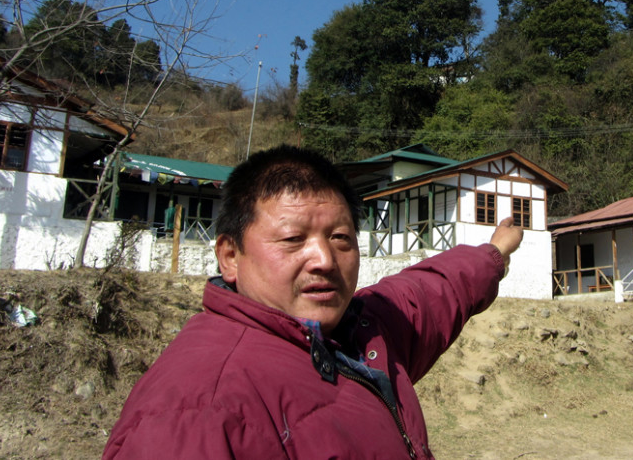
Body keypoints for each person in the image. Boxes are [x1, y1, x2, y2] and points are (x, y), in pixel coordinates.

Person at [103, 145, 522, 459]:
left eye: (340, 238)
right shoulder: (196, 411)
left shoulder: (363, 333)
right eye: (292, 239)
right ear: (230, 255)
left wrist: (495, 253)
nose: (324, 260)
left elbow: (432, 292)